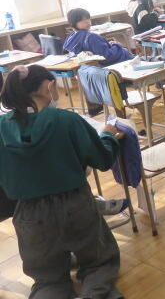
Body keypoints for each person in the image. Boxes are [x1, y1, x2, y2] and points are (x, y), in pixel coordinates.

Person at [0, 64, 123, 299]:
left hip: (30, 213)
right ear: (49, 87)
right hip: (76, 204)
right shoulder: (66, 120)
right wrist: (108, 135)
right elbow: (102, 159)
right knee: (98, 262)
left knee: (48, 279)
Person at [63, 8, 134, 66]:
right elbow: (106, 57)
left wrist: (108, 45)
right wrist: (116, 45)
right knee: (125, 51)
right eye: (83, 20)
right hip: (113, 65)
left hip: (89, 69)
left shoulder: (70, 37)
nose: (88, 22)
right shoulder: (91, 37)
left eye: (88, 18)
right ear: (73, 23)